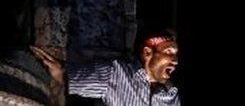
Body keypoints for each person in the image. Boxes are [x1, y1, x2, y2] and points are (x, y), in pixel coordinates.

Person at [31, 29, 181, 105]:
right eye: (169, 52)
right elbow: (64, 80)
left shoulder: (171, 96)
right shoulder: (116, 75)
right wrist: (59, 74)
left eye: (176, 54)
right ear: (148, 53)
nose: (175, 60)